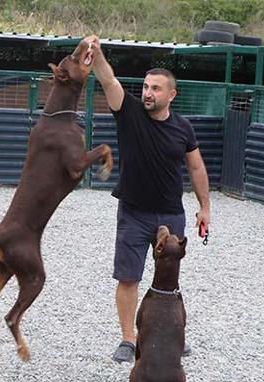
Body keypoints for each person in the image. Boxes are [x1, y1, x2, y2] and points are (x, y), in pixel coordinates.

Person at [85, 35, 212, 363]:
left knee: (168, 280)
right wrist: (97, 55)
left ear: (171, 94)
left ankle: (168, 335)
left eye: (156, 88)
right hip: (133, 212)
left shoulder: (183, 128)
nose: (147, 93)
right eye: (145, 86)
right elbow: (108, 79)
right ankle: (129, 339)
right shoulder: (129, 113)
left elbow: (196, 167)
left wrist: (205, 208)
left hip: (171, 214)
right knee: (128, 277)